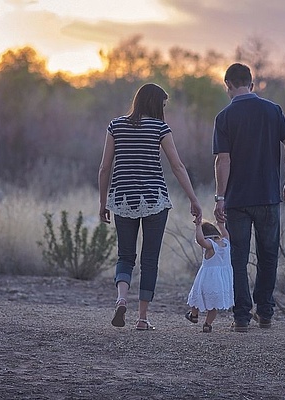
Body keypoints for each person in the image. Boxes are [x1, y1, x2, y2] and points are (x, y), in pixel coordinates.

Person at [98, 83, 202, 331]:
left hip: (122, 199)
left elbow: (104, 168)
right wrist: (193, 199)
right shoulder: (160, 128)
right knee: (149, 260)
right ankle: (142, 318)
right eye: (163, 105)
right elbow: (177, 167)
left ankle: (121, 298)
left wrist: (103, 202)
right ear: (156, 104)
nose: (164, 110)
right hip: (154, 199)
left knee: (125, 255)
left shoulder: (116, 126)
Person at [212, 63, 285, 332]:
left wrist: (220, 197)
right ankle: (265, 313)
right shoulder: (273, 110)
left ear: (227, 84)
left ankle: (241, 317)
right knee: (268, 255)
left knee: (238, 258)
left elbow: (222, 160)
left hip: (238, 200)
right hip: (268, 197)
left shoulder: (224, 117)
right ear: (252, 84)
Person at [185, 220, 234, 333]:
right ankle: (207, 324)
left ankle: (194, 315)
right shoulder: (226, 242)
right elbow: (226, 234)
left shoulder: (211, 246)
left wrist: (198, 226)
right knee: (213, 305)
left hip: (207, 279)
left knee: (196, 296)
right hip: (221, 282)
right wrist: (221, 224)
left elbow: (200, 240)